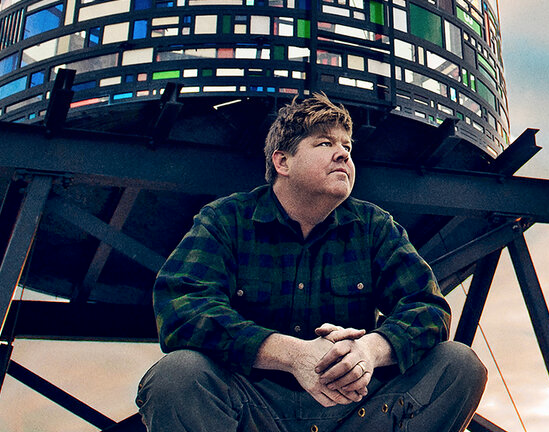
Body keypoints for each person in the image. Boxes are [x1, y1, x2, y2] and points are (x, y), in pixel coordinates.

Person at [136, 93, 487, 431]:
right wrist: (292, 355)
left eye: (347, 147)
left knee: (459, 364)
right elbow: (181, 306)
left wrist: (368, 350)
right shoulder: (226, 220)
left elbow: (427, 308)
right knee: (176, 374)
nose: (343, 156)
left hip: (357, 409)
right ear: (282, 162)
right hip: (253, 410)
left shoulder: (374, 226)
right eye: (324, 144)